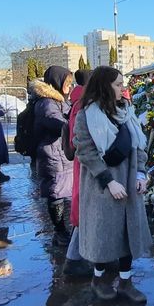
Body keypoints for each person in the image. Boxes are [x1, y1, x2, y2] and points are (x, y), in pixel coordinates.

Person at [73, 66, 152, 302]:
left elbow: (138, 146)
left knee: (127, 233)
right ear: (104, 86)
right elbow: (86, 152)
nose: (122, 89)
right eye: (118, 84)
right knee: (103, 234)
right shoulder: (86, 115)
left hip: (128, 179)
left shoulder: (126, 112)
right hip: (101, 185)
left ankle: (126, 283)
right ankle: (98, 279)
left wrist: (140, 173)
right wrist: (109, 182)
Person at [32, 66, 74, 246]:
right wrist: (73, 122)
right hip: (52, 153)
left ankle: (64, 230)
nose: (69, 86)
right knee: (55, 192)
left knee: (64, 191)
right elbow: (57, 123)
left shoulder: (58, 100)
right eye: (67, 82)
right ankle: (60, 232)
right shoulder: (47, 103)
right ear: (57, 81)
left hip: (61, 152)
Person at [63, 69, 92, 277]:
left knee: (83, 209)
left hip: (82, 163)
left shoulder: (77, 101)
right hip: (86, 164)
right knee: (84, 209)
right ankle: (74, 262)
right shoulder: (84, 104)